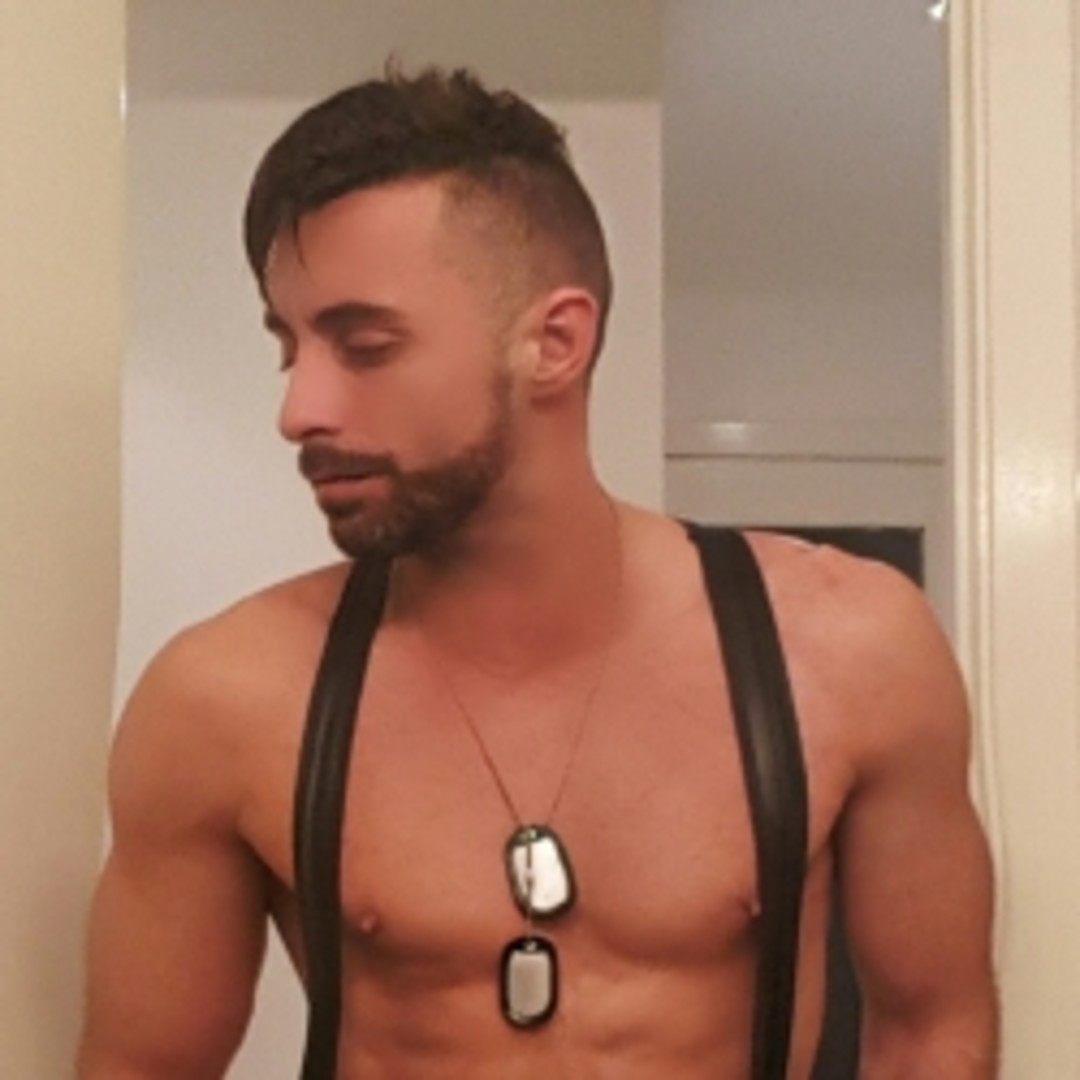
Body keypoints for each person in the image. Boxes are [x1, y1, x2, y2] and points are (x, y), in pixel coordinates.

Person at [78, 66, 997, 1078]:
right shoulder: (224, 703)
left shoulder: (845, 651)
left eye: (364, 346)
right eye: (289, 347)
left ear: (554, 343)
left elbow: (932, 1032)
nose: (300, 410)